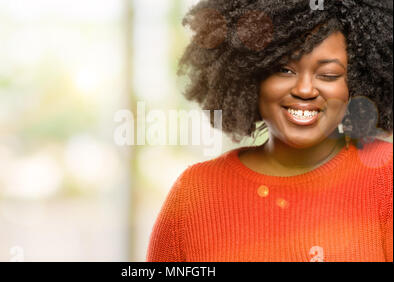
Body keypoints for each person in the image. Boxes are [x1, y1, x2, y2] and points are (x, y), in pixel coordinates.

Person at [146, 0, 393, 262]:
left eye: (329, 74)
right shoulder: (195, 192)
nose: (305, 89)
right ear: (251, 75)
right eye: (284, 70)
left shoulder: (386, 178)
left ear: (357, 83)